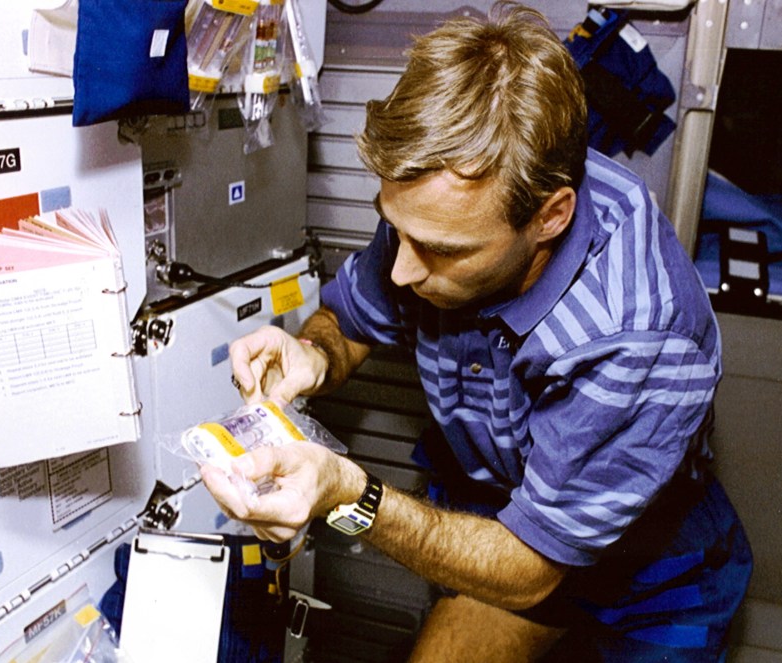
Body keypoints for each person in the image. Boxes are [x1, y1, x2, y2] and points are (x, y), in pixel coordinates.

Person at [200, 2, 753, 660]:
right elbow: (349, 320)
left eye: (438, 250)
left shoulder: (635, 334)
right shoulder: (442, 206)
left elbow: (529, 568)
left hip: (645, 570)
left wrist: (351, 493)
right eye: (394, 229)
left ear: (550, 217)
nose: (401, 270)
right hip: (499, 516)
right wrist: (313, 353)